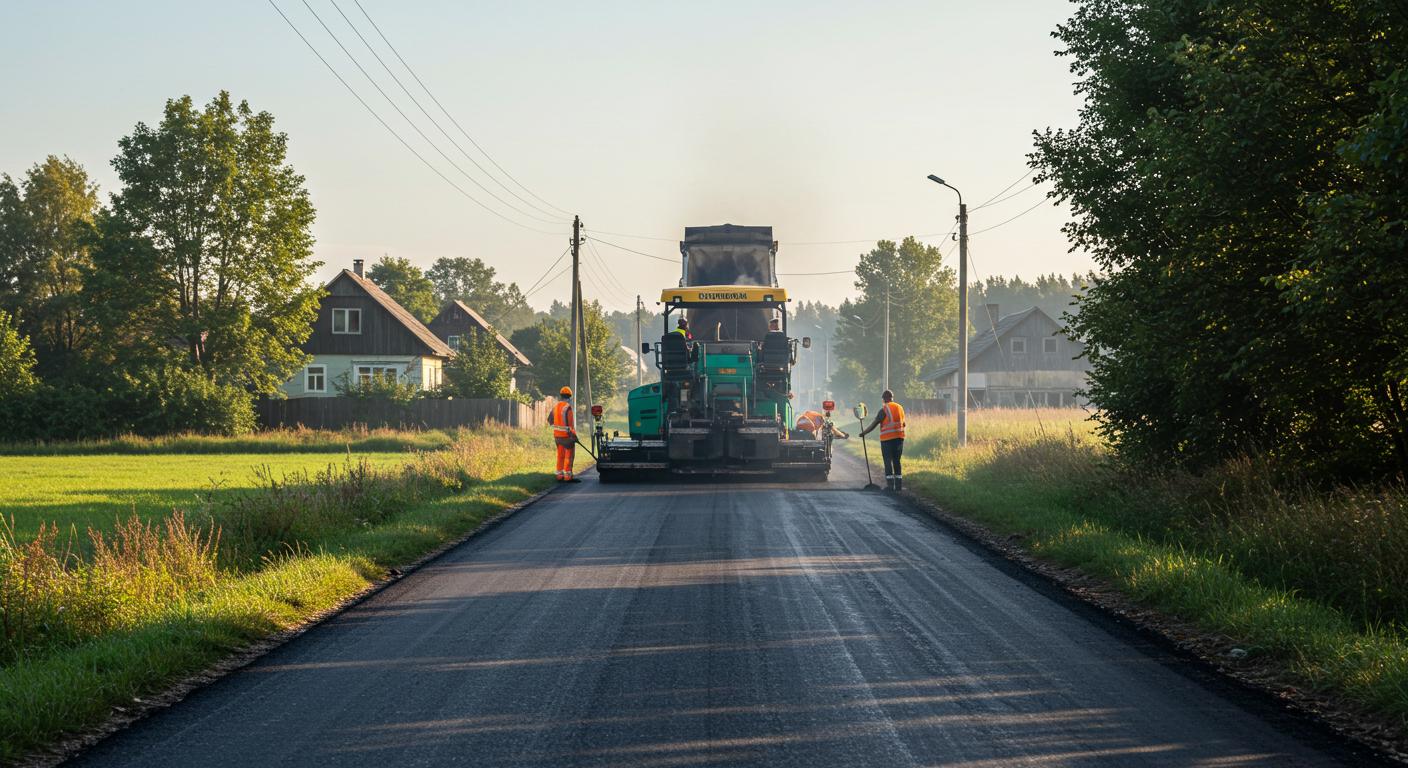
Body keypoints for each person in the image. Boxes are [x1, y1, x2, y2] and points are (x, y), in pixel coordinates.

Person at [859, 390, 905, 491]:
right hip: (899, 439)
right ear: (892, 397)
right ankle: (898, 486)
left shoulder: (884, 409)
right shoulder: (900, 407)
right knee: (897, 461)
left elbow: (874, 424)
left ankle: (889, 486)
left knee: (887, 461)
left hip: (887, 439)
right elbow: (903, 423)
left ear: (884, 399)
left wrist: (864, 433)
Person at [549, 386, 580, 483]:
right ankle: (568, 477)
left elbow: (549, 420)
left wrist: (558, 426)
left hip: (557, 437)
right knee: (569, 456)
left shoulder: (555, 407)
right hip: (566, 437)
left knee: (560, 456)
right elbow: (570, 426)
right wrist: (574, 437)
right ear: (570, 397)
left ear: (561, 396)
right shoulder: (568, 408)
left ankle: (559, 475)